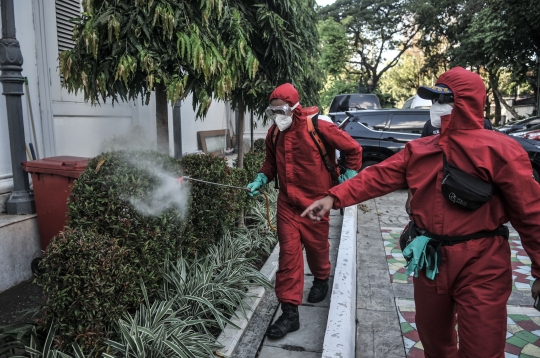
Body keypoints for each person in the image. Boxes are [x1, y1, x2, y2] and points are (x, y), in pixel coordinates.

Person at [302, 67, 540, 357]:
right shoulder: (420, 150)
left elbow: (531, 214)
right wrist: (333, 197)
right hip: (430, 258)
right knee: (433, 341)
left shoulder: (500, 150)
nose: (436, 108)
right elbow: (376, 177)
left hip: (482, 261)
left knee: (482, 347)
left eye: (443, 100)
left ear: (465, 103)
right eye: (434, 100)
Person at [246, 83, 363, 339]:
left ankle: (321, 278)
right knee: (288, 257)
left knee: (317, 248)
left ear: (294, 107)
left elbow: (353, 149)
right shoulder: (274, 133)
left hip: (316, 204)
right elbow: (270, 163)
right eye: (272, 111)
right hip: (288, 205)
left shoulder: (318, 127)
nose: (278, 116)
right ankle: (290, 314)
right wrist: (261, 178)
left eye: (282, 110)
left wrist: (350, 175)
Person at [405, 102, 494, 216]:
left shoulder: (483, 123)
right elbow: (418, 162)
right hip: (437, 187)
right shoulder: (431, 125)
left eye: (444, 99)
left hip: (471, 192)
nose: (438, 104)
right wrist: (412, 196)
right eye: (435, 100)